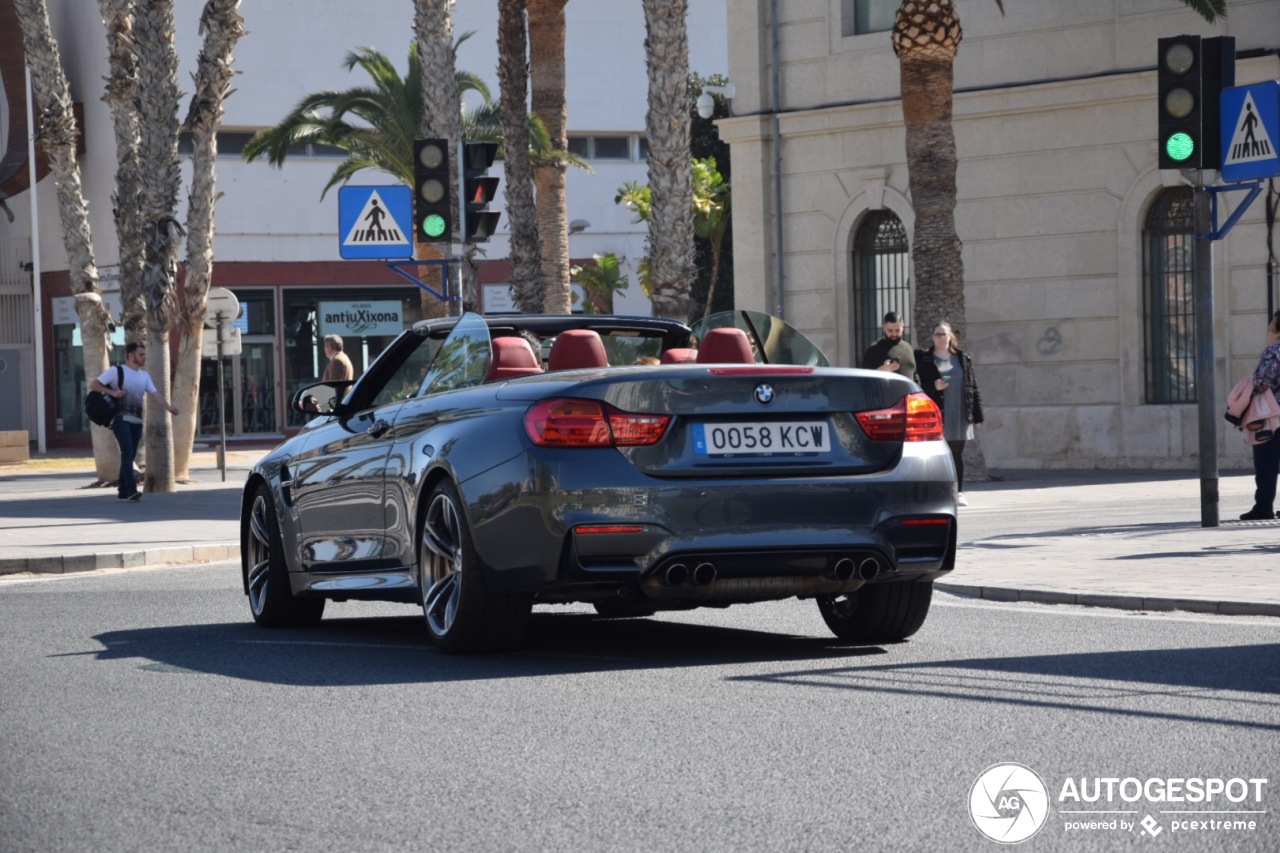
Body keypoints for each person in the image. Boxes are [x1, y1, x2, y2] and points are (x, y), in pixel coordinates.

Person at [88, 342, 179, 502]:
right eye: (141, 355)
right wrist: (112, 392)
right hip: (120, 419)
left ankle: (122, 491)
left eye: (144, 355)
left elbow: (156, 394)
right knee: (128, 452)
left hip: (137, 421)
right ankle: (131, 490)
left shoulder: (144, 376)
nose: (144, 358)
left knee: (129, 455)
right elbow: (94, 384)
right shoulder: (117, 371)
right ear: (131, 356)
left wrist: (169, 408)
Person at [915, 321, 984, 507]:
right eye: (937, 334)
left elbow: (972, 386)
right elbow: (915, 384)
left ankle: (958, 492)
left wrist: (978, 415)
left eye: (944, 334)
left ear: (951, 336)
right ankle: (934, 493)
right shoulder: (923, 358)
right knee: (932, 454)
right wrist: (933, 387)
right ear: (932, 337)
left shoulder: (962, 358)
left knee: (956, 453)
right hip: (936, 413)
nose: (941, 337)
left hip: (959, 412)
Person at [1239, 311, 1280, 520]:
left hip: (1274, 417)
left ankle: (1264, 507)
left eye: (1272, 324)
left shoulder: (1274, 351)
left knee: (1266, 462)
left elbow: (1262, 381)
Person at [861, 311, 917, 380]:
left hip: (910, 390)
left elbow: (915, 375)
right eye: (890, 331)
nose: (894, 334)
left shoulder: (908, 348)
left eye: (897, 330)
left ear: (903, 327)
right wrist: (881, 371)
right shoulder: (873, 350)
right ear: (884, 328)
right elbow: (864, 379)